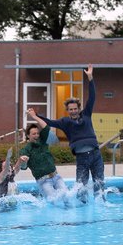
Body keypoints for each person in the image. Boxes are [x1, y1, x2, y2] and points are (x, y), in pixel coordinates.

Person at [37, 63, 104, 202]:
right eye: (70, 109)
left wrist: (90, 78)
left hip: (96, 155)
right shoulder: (65, 122)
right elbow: (50, 122)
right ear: (67, 111)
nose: (73, 111)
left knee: (100, 184)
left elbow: (92, 97)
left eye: (75, 108)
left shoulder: (86, 115)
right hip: (81, 158)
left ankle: (101, 207)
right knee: (81, 187)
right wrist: (35, 116)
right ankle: (82, 210)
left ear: (79, 108)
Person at [20, 109, 67, 200]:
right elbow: (23, 167)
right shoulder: (26, 150)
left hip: (56, 177)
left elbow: (46, 127)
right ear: (28, 136)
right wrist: (24, 161)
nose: (37, 135)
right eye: (34, 134)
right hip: (44, 181)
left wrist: (34, 117)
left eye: (37, 133)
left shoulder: (42, 141)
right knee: (54, 202)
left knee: (66, 198)